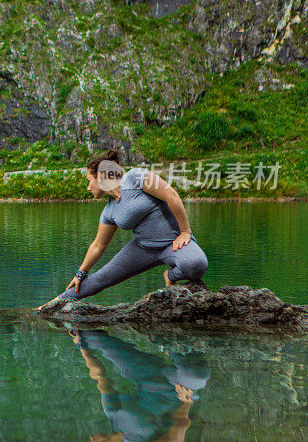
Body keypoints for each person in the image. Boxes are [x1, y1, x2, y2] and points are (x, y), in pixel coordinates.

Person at [38, 149, 208, 308]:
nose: (88, 188)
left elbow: (172, 196)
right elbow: (98, 245)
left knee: (197, 264)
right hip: (143, 249)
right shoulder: (109, 212)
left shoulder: (135, 177)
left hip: (174, 242)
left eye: (89, 181)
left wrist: (185, 232)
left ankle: (169, 276)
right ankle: (49, 306)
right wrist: (80, 274)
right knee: (100, 279)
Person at [70, 328, 209, 442]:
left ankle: (167, 342)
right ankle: (169, 343)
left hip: (144, 375)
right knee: (197, 377)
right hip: (177, 390)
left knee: (88, 336)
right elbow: (179, 429)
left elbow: (100, 376)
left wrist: (81, 345)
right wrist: (186, 402)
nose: (91, 439)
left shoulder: (112, 414)